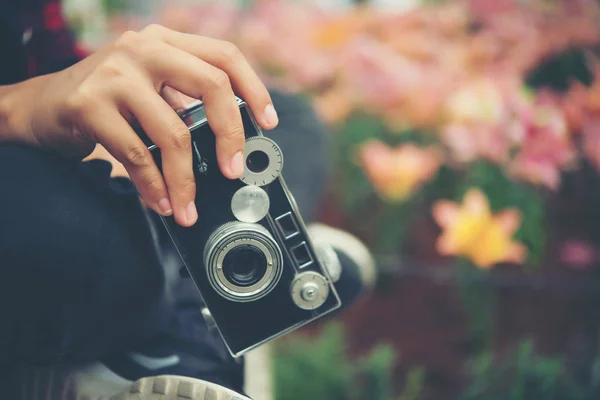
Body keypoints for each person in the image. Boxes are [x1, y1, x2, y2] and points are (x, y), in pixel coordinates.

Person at [0, 1, 376, 399]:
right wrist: (18, 107)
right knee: (64, 233)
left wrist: (111, 94)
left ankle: (225, 265)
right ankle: (220, 296)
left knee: (283, 116)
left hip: (54, 151)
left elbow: (50, 63)